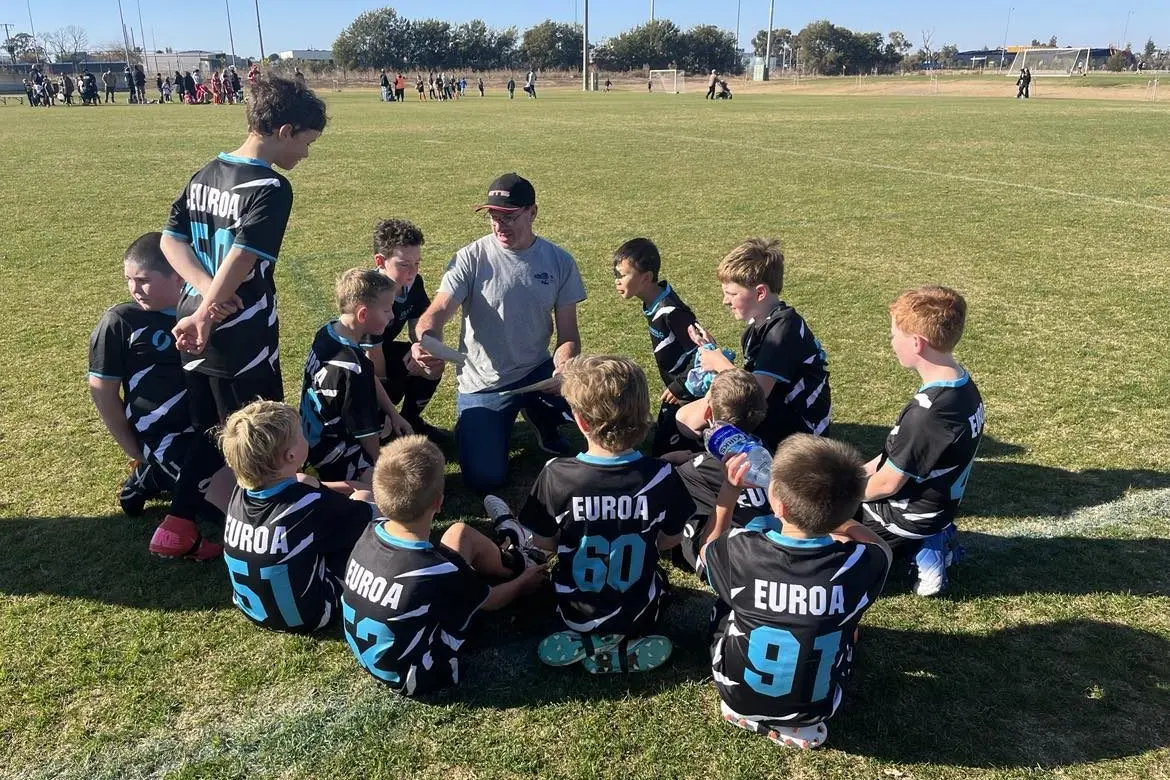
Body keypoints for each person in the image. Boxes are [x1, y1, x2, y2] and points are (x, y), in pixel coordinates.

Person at [152, 75, 327, 562]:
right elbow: (243, 258)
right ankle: (267, 536)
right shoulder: (270, 186)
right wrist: (212, 309)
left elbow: (171, 241)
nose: (306, 155)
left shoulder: (207, 171)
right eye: (307, 143)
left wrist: (202, 298)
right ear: (285, 130)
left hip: (193, 320)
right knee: (260, 433)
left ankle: (177, 525)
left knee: (209, 426)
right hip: (236, 328)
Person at [702, 434, 891, 749]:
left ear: (777, 502)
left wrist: (729, 491)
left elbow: (707, 552)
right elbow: (880, 547)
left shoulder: (741, 549)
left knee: (725, 606)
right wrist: (838, 521)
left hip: (735, 694)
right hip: (817, 709)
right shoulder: (863, 562)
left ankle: (748, 712)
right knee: (848, 624)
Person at [508, 356, 692, 673]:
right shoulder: (661, 475)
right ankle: (621, 644)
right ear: (643, 417)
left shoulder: (556, 474)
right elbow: (671, 539)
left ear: (580, 421)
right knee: (657, 582)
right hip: (640, 612)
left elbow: (545, 542)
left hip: (573, 609)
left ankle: (589, 639)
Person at [411, 173, 586, 494]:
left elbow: (568, 335)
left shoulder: (560, 261)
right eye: (493, 216)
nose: (499, 225)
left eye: (509, 216)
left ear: (532, 212)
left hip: (539, 372)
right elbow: (437, 311)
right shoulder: (470, 258)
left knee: (592, 421)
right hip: (484, 383)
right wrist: (425, 337)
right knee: (484, 479)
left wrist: (564, 368)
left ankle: (544, 422)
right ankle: (506, 420)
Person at [341, 435, 546, 695]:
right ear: (438, 502)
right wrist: (522, 583)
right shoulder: (435, 569)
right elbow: (491, 601)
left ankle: (514, 555)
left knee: (459, 533)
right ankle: (519, 560)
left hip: (378, 653)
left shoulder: (369, 532)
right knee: (478, 596)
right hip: (422, 672)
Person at [857, 286, 984, 597]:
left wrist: (833, 495)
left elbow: (887, 484)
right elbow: (895, 455)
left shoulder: (928, 414)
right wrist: (849, 474)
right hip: (936, 505)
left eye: (894, 335)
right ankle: (934, 535)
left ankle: (926, 546)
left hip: (905, 517)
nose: (891, 342)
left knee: (818, 542)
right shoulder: (962, 385)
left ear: (916, 343)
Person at [220, 400, 378, 633]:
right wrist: (363, 494)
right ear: (291, 455)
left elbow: (302, 485)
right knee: (364, 501)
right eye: (301, 433)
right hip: (314, 615)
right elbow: (367, 516)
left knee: (307, 490)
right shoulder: (308, 504)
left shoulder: (238, 494)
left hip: (253, 610)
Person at [676, 238, 832, 452]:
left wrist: (720, 363)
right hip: (776, 410)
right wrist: (712, 350)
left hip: (802, 431)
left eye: (731, 294)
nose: (725, 301)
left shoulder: (784, 329)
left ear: (760, 293)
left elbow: (756, 393)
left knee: (692, 420)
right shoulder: (757, 327)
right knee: (687, 417)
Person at [88, 233, 198, 516]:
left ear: (178, 276)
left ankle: (161, 472)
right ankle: (149, 476)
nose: (134, 289)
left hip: (205, 423)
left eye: (143, 280)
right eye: (129, 279)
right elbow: (103, 391)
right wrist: (134, 450)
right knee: (217, 505)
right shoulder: (120, 321)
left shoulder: (201, 311)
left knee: (258, 473)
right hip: (162, 434)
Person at [300, 269, 411, 482]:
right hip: (332, 451)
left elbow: (369, 374)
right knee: (398, 489)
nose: (392, 316)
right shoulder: (352, 367)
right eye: (387, 310)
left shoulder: (329, 332)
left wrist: (393, 414)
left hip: (310, 438)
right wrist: (378, 466)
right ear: (363, 314)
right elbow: (366, 433)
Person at [667, 369, 768, 572]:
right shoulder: (773, 454)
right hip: (773, 551)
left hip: (731, 567)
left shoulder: (692, 473)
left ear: (707, 414)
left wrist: (662, 463)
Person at [611, 237, 700, 455]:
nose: (617, 281)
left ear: (646, 278)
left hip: (691, 391)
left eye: (622, 275)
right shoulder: (652, 301)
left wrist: (681, 386)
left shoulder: (672, 312)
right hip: (677, 387)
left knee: (667, 451)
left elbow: (703, 352)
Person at [368, 219, 443, 436]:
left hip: (384, 351)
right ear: (381, 261)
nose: (412, 271)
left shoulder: (413, 284)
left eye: (417, 263)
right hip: (363, 364)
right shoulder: (370, 293)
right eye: (404, 264)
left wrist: (421, 347)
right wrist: (388, 396)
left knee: (432, 362)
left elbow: (417, 326)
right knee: (386, 397)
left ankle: (411, 421)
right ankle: (387, 426)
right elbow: (371, 353)